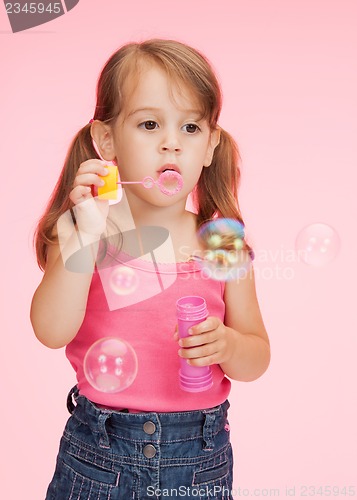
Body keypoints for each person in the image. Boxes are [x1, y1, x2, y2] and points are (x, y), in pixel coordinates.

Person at [31, 39, 270, 500]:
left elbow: (257, 357)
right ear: (106, 141)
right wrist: (82, 237)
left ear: (209, 147)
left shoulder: (221, 240)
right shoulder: (87, 230)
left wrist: (229, 344)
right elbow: (50, 330)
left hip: (201, 457)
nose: (171, 143)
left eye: (190, 128)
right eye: (149, 124)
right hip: (98, 454)